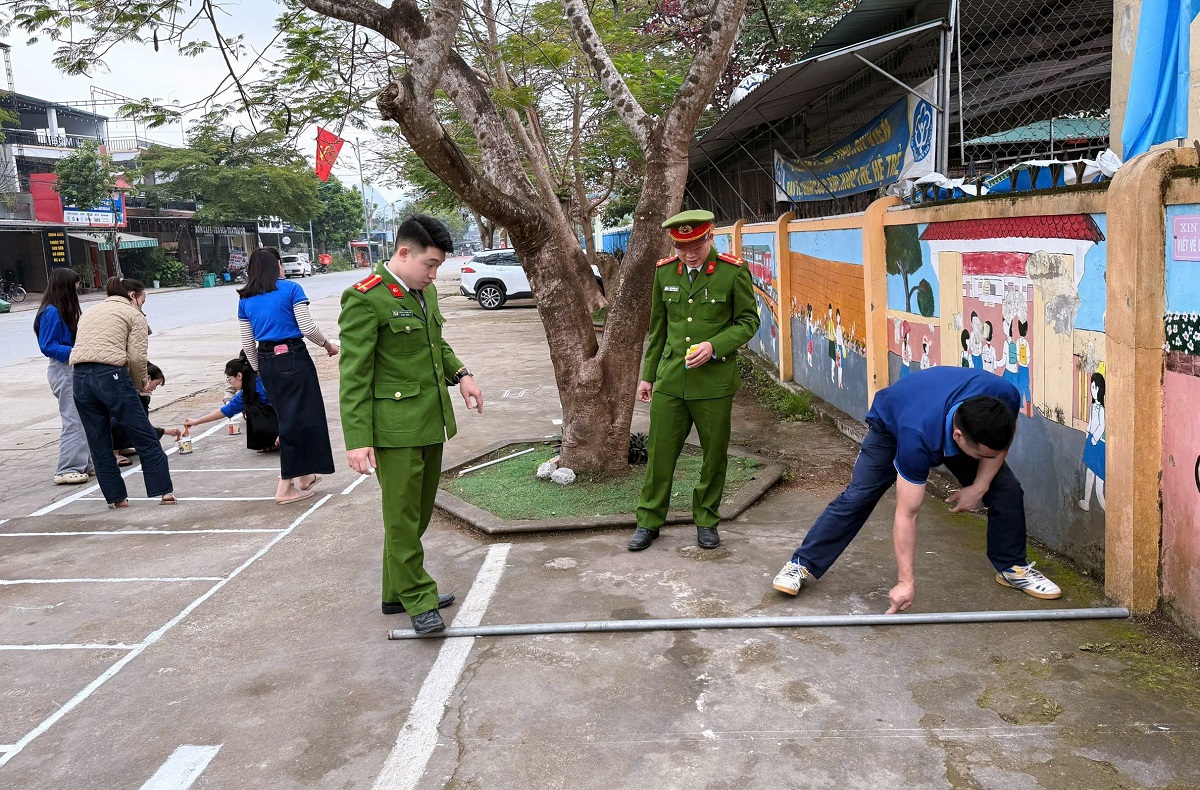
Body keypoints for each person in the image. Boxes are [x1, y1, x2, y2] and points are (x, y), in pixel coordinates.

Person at [771, 366, 1061, 610]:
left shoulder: (1003, 397)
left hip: (947, 418)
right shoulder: (917, 437)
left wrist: (979, 486)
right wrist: (905, 582)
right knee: (859, 495)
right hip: (892, 427)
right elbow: (907, 513)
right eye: (982, 454)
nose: (990, 457)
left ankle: (1011, 567)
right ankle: (801, 563)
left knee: (1007, 489)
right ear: (958, 437)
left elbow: (999, 444)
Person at [339, 215, 484, 635]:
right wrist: (358, 440)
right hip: (393, 429)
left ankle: (395, 591)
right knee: (402, 518)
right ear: (404, 253)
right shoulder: (365, 298)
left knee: (416, 515)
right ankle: (418, 596)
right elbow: (354, 375)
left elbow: (436, 343)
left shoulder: (425, 292)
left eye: (438, 266)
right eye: (430, 264)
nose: (435, 274)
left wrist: (463, 374)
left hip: (430, 420)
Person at [627, 209, 759, 552]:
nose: (688, 253)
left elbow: (748, 321)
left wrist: (715, 345)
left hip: (714, 383)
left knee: (713, 455)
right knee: (659, 454)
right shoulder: (665, 271)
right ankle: (649, 521)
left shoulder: (732, 272)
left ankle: (707, 519)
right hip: (671, 380)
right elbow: (658, 329)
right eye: (681, 246)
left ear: (710, 237)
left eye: (696, 244)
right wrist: (647, 376)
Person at [237, 248, 338, 504]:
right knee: (300, 418)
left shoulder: (245, 299)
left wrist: (261, 369)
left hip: (267, 361)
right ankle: (285, 486)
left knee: (291, 417)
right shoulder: (291, 289)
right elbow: (306, 327)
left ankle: (304, 476)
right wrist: (327, 345)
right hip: (293, 356)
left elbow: (248, 344)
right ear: (278, 266)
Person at [69, 277, 175, 507]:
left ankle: (117, 499)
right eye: (142, 300)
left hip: (78, 378)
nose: (142, 305)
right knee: (143, 435)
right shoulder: (134, 314)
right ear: (132, 296)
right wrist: (139, 385)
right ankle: (163, 491)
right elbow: (137, 356)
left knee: (98, 442)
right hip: (110, 375)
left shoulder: (91, 310)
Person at [35, 267, 92, 485]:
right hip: (63, 368)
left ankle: (84, 462)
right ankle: (67, 467)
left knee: (84, 416)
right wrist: (76, 352)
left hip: (73, 367)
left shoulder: (62, 309)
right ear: (65, 286)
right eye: (75, 285)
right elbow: (47, 345)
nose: (78, 289)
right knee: (74, 419)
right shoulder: (50, 312)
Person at [183, 357, 279, 451]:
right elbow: (226, 410)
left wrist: (283, 433)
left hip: (289, 420)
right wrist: (196, 421)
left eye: (229, 379)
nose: (230, 383)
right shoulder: (247, 391)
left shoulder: (265, 386)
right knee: (250, 408)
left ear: (239, 376)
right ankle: (271, 442)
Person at [111, 362, 181, 466]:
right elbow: (138, 424)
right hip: (109, 425)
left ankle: (122, 447)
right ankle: (114, 451)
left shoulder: (143, 397)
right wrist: (165, 431)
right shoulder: (126, 392)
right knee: (122, 417)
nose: (154, 388)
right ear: (148, 378)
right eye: (156, 384)